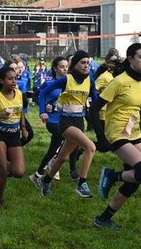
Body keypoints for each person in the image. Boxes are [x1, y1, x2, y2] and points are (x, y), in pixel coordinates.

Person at [88, 43, 141, 230]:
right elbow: (94, 108)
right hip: (117, 132)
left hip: (134, 132)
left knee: (135, 179)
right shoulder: (119, 81)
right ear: (130, 59)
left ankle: (104, 219)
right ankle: (111, 175)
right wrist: (101, 137)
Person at [34, 50, 98, 198]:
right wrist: (42, 111)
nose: (86, 66)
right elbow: (43, 93)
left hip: (79, 121)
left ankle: (46, 180)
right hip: (65, 122)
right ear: (74, 64)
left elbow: (95, 100)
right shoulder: (66, 79)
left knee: (63, 156)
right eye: (82, 62)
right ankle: (82, 183)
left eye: (88, 63)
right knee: (90, 147)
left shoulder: (90, 80)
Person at [0, 65, 27, 209]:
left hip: (14, 134)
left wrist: (24, 127)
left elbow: (21, 112)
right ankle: (0, 199)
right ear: (1, 80)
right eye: (10, 79)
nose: (14, 81)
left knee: (18, 172)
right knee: (2, 171)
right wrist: (1, 115)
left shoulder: (19, 94)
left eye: (15, 78)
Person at [29, 56, 67, 187]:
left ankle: (37, 175)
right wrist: (43, 109)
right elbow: (36, 95)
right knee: (68, 138)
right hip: (52, 119)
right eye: (62, 67)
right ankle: (55, 159)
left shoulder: (70, 84)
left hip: (64, 118)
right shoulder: (49, 83)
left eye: (67, 66)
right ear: (55, 68)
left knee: (53, 148)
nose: (65, 69)